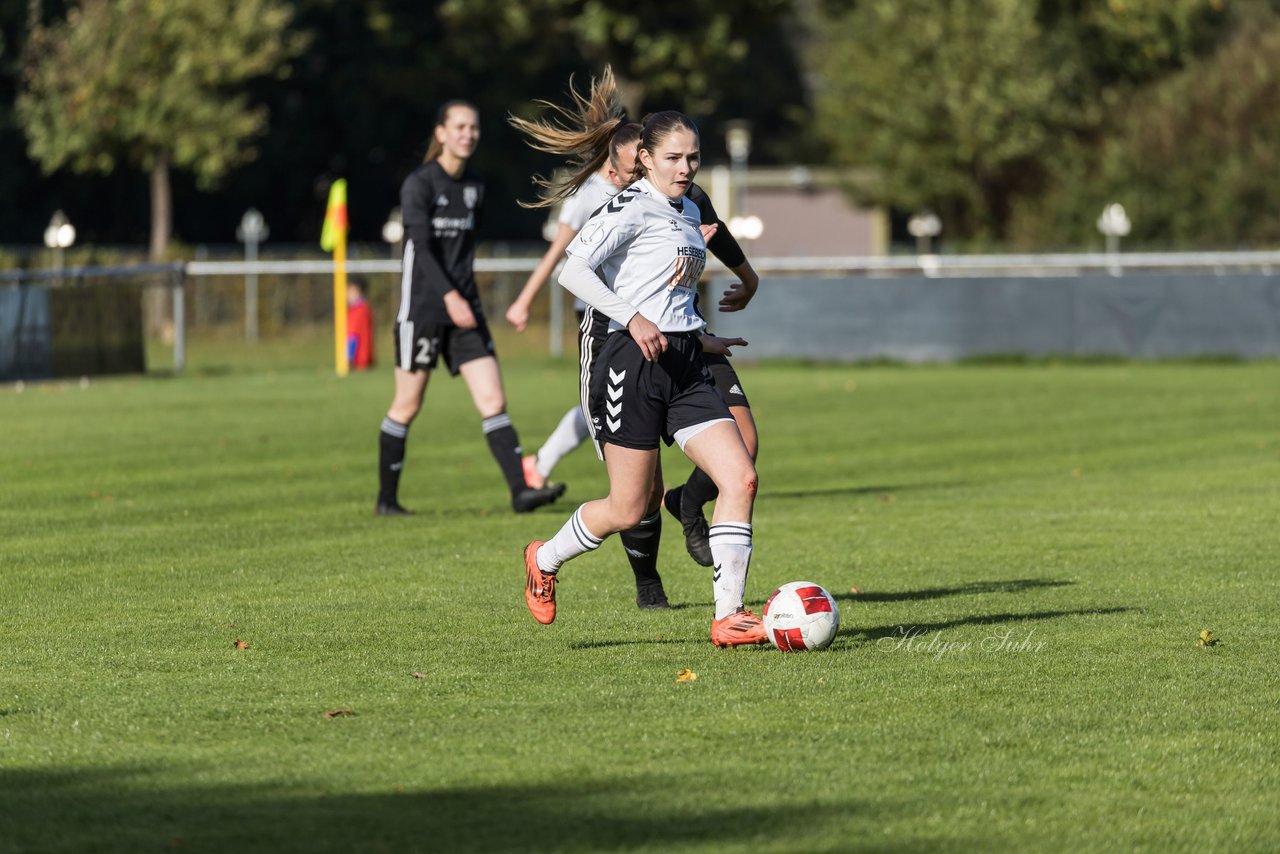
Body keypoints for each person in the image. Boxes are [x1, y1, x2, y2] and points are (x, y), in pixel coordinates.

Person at [513, 70, 768, 647]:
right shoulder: (628, 207)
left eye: (693, 158)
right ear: (646, 159)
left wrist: (699, 336)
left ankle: (728, 617)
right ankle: (544, 558)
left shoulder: (685, 211)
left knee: (741, 476)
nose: (685, 168)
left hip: (684, 363)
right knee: (630, 508)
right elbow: (570, 270)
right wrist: (631, 318)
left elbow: (669, 294)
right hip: (631, 363)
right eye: (674, 158)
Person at [375, 100, 567, 517]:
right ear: (441, 133)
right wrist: (448, 296)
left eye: (473, 128)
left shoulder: (475, 186)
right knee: (407, 404)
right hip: (423, 309)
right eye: (459, 126)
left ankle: (520, 491)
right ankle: (386, 502)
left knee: (493, 399)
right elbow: (421, 249)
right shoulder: (419, 184)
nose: (468, 134)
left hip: (465, 311)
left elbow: (463, 253)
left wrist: (464, 299)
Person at [346, 277, 375, 370]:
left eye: (348, 291)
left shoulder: (358, 311)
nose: (346, 294)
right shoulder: (366, 308)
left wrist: (349, 357)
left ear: (356, 291)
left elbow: (353, 336)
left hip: (360, 360)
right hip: (366, 358)